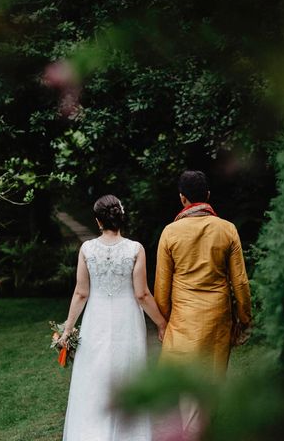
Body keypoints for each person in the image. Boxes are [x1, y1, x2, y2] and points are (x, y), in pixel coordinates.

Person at [60, 194, 167, 441]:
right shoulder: (135, 249)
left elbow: (81, 292)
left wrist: (68, 328)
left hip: (95, 319)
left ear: (98, 221)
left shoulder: (87, 249)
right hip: (127, 320)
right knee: (127, 373)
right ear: (120, 217)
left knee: (93, 377)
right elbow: (142, 294)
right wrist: (161, 323)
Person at [154, 170, 252, 376]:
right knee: (212, 379)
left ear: (182, 198)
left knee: (182, 379)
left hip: (182, 319)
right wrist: (244, 319)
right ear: (207, 195)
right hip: (218, 318)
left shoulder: (170, 232)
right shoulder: (228, 229)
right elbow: (240, 282)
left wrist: (162, 323)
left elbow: (162, 286)